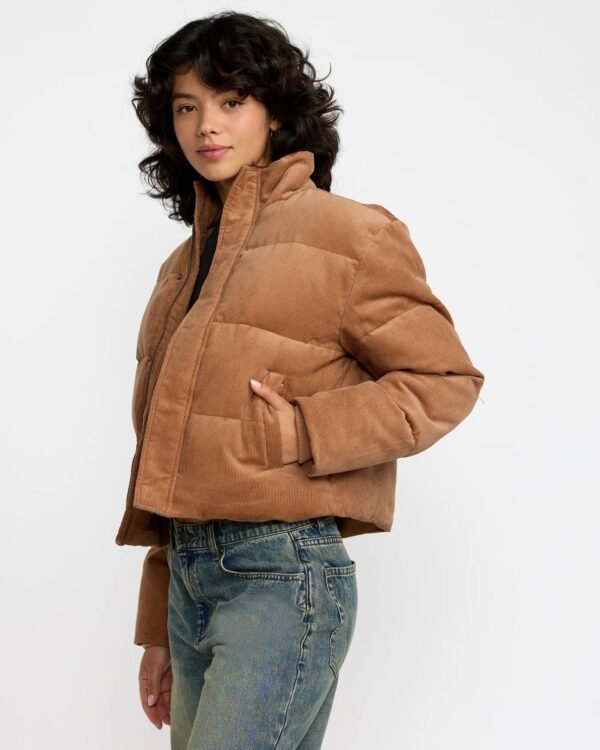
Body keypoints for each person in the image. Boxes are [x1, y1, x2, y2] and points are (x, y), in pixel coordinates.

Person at [114, 10, 485, 749]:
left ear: (276, 112)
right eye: (186, 107)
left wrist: (307, 430)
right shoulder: (179, 270)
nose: (206, 125)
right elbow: (166, 461)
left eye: (231, 100)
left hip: (282, 578)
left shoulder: (351, 235)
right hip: (190, 581)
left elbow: (446, 379)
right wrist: (158, 625)